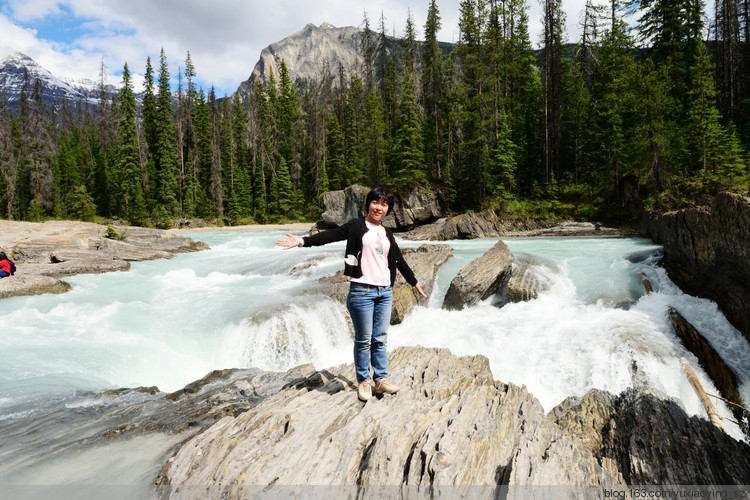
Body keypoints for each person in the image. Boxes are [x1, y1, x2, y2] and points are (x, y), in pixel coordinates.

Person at [277, 187, 427, 402]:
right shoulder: (356, 226)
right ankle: (364, 381)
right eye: (376, 202)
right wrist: (302, 241)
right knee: (364, 340)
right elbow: (330, 235)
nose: (379, 207)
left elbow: (397, 259)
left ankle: (381, 380)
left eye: (384, 205)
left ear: (388, 209)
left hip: (384, 291)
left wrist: (414, 281)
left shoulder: (387, 233)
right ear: (368, 204)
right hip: (361, 291)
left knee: (380, 338)